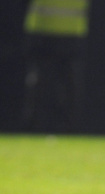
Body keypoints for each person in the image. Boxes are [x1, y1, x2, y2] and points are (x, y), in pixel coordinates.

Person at [22, 0, 90, 132]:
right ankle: (40, 126)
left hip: (58, 39)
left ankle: (61, 127)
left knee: (64, 87)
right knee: (47, 87)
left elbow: (34, 12)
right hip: (54, 40)